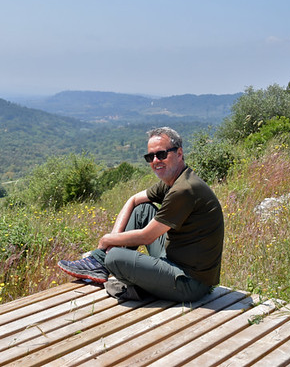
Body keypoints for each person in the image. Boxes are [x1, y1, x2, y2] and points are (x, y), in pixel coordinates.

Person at [58, 127, 224, 302]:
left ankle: (107, 265)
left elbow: (147, 236)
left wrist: (106, 241)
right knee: (142, 210)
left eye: (161, 154)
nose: (155, 161)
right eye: (150, 157)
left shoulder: (184, 189)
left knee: (114, 257)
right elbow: (134, 200)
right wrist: (114, 238)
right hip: (174, 259)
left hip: (191, 283)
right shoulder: (173, 180)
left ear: (179, 153)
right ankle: (99, 262)